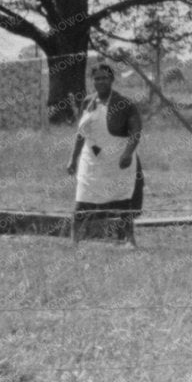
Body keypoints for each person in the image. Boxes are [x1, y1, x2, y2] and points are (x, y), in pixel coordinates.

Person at [68, 62, 144, 245]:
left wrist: (128, 153)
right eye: (97, 78)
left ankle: (130, 240)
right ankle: (74, 241)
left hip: (118, 162)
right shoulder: (88, 102)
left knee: (123, 201)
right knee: (82, 199)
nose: (100, 81)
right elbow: (81, 133)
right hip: (91, 161)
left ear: (111, 79)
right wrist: (73, 158)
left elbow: (136, 132)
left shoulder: (125, 104)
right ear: (92, 81)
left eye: (104, 78)